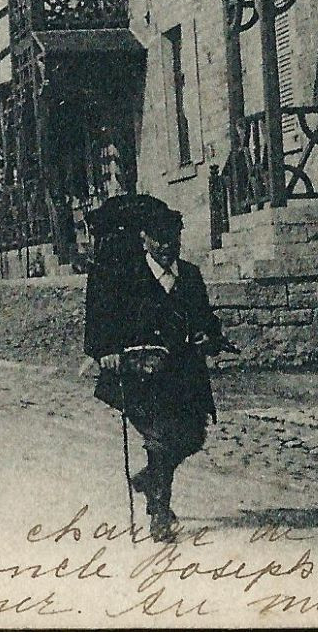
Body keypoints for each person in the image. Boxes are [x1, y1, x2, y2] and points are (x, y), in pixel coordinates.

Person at [82, 195, 228, 543]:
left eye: (172, 238)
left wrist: (212, 335)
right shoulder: (125, 277)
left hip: (185, 375)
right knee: (160, 437)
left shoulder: (190, 276)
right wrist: (107, 352)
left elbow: (204, 318)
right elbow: (103, 320)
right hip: (140, 376)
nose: (166, 246)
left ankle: (149, 480)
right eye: (158, 238)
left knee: (193, 436)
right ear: (144, 239)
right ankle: (160, 512)